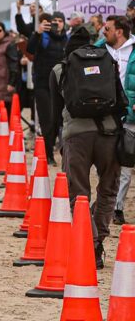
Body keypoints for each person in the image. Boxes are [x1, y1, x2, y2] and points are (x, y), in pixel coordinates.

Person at [50, 26, 126, 269]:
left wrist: (56, 143)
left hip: (76, 135)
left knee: (79, 193)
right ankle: (99, 239)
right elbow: (121, 100)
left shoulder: (60, 69)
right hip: (109, 133)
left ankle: (90, 242)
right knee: (108, 190)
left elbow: (54, 112)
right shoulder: (108, 63)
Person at [105, 16, 135, 224]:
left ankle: (117, 207)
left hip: (129, 114)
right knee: (106, 160)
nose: (103, 31)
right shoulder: (101, 49)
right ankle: (107, 203)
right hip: (105, 112)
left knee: (125, 159)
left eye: (107, 28)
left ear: (119, 32)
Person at [30, 12, 68, 165]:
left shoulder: (67, 40)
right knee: (47, 121)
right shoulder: (43, 37)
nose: (57, 23)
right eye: (54, 20)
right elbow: (30, 49)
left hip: (62, 87)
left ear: (64, 23)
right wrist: (37, 33)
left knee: (60, 121)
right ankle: (48, 155)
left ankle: (61, 152)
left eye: (60, 20)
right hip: (43, 86)